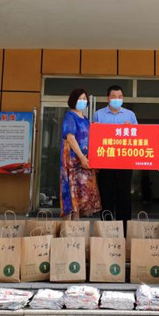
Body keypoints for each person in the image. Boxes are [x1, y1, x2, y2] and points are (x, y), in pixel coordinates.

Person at [93, 85, 138, 223]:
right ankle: (107, 228)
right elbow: (94, 139)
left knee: (124, 196)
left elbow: (138, 138)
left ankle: (124, 228)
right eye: (113, 96)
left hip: (125, 163)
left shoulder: (130, 115)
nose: (116, 99)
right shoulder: (98, 114)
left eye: (119, 97)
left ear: (123, 98)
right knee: (106, 195)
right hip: (105, 164)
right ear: (108, 98)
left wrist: (130, 129)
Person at [59, 89, 101, 219]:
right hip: (74, 161)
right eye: (79, 98)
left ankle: (76, 227)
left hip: (85, 162)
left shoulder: (86, 119)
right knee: (72, 194)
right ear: (73, 100)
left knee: (82, 196)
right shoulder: (70, 116)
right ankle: (69, 226)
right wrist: (82, 157)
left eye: (84, 99)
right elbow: (71, 138)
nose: (82, 101)